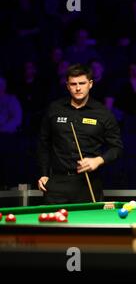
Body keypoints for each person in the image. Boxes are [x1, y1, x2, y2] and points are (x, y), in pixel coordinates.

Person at [37, 64, 123, 204]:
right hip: (57, 184)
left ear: (90, 84)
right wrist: (44, 174)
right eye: (73, 84)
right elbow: (43, 144)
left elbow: (117, 148)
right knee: (52, 225)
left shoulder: (103, 113)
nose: (77, 88)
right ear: (67, 86)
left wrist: (98, 160)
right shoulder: (54, 109)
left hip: (87, 184)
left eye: (82, 83)